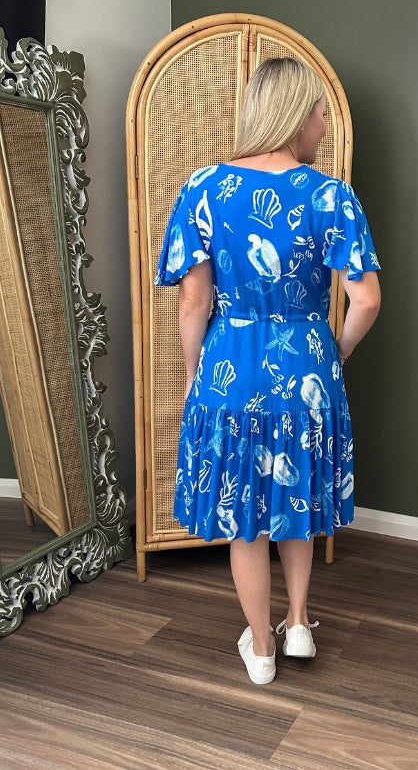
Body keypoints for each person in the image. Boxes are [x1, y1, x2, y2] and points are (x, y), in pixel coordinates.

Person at [155, 57, 381, 685]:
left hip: (231, 371)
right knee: (297, 499)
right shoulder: (330, 194)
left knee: (245, 518)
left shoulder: (204, 189)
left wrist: (200, 369)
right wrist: (332, 354)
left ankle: (261, 649)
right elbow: (366, 300)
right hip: (306, 372)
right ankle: (300, 623)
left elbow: (192, 302)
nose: (323, 125)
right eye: (317, 112)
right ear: (293, 114)